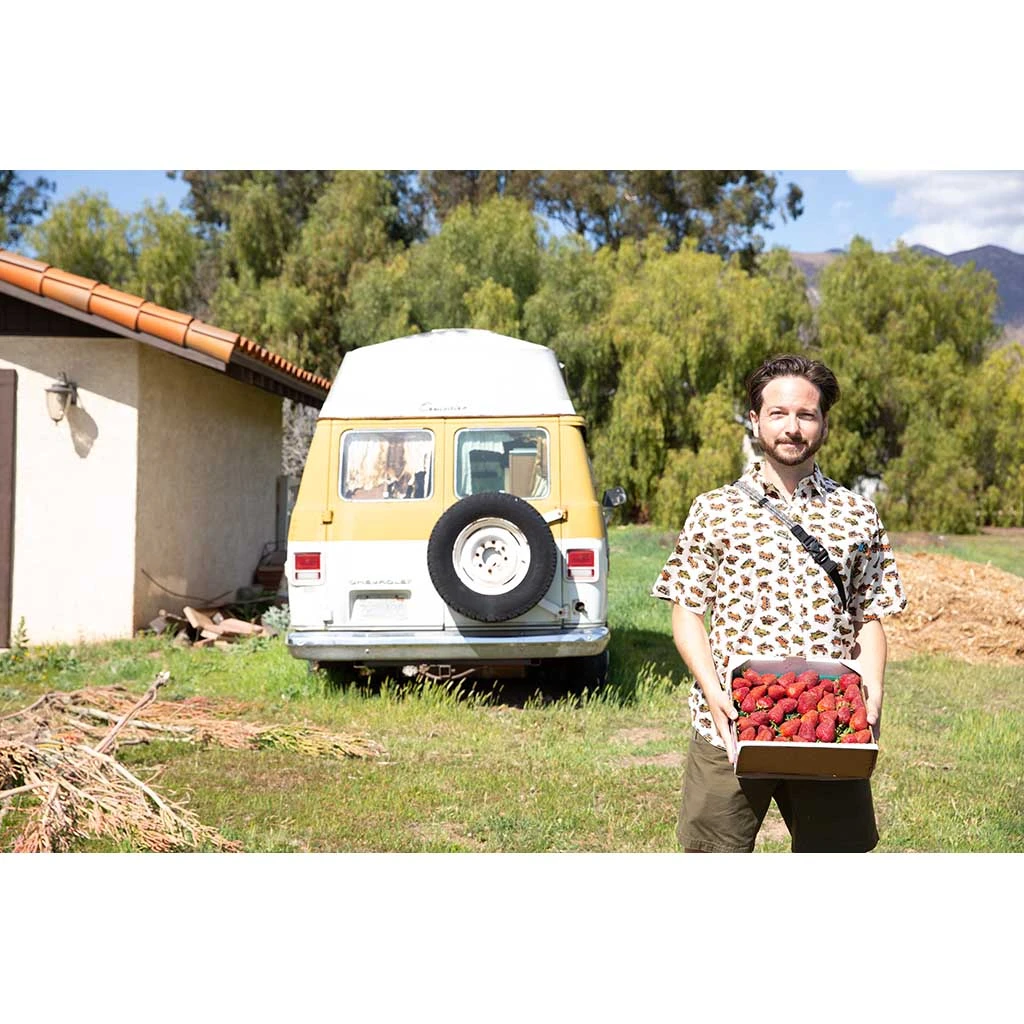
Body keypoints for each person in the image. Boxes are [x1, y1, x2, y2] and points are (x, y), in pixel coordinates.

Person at [652, 354, 907, 853]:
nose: (792, 427)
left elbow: (869, 615)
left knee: (837, 858)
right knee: (713, 858)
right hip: (730, 721)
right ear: (755, 420)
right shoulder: (715, 509)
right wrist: (713, 692)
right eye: (778, 413)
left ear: (824, 423)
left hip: (830, 722)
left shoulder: (857, 513)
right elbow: (686, 607)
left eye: (806, 414)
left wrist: (872, 689)